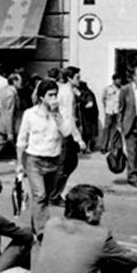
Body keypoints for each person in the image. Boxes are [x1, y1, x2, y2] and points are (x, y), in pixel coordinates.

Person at [16, 79, 72, 236]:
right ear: (41, 97)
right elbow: (21, 140)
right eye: (50, 95)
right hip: (34, 159)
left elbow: (67, 133)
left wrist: (57, 115)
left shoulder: (60, 113)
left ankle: (37, 226)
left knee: (44, 197)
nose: (54, 98)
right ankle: (42, 232)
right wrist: (20, 163)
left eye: (56, 95)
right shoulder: (30, 114)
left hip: (53, 159)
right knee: (39, 195)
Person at [51, 66, 87, 205]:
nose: (79, 79)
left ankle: (54, 192)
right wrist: (79, 139)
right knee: (65, 164)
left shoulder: (65, 90)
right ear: (70, 78)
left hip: (63, 130)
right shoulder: (67, 93)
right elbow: (68, 117)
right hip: (65, 132)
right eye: (77, 77)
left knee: (70, 163)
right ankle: (54, 195)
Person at [100, 74, 123, 153]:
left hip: (118, 111)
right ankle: (103, 146)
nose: (119, 81)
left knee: (117, 129)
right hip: (109, 111)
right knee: (107, 128)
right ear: (114, 80)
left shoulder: (122, 89)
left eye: (120, 79)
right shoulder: (107, 89)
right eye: (117, 79)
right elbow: (103, 99)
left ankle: (112, 146)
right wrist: (106, 108)